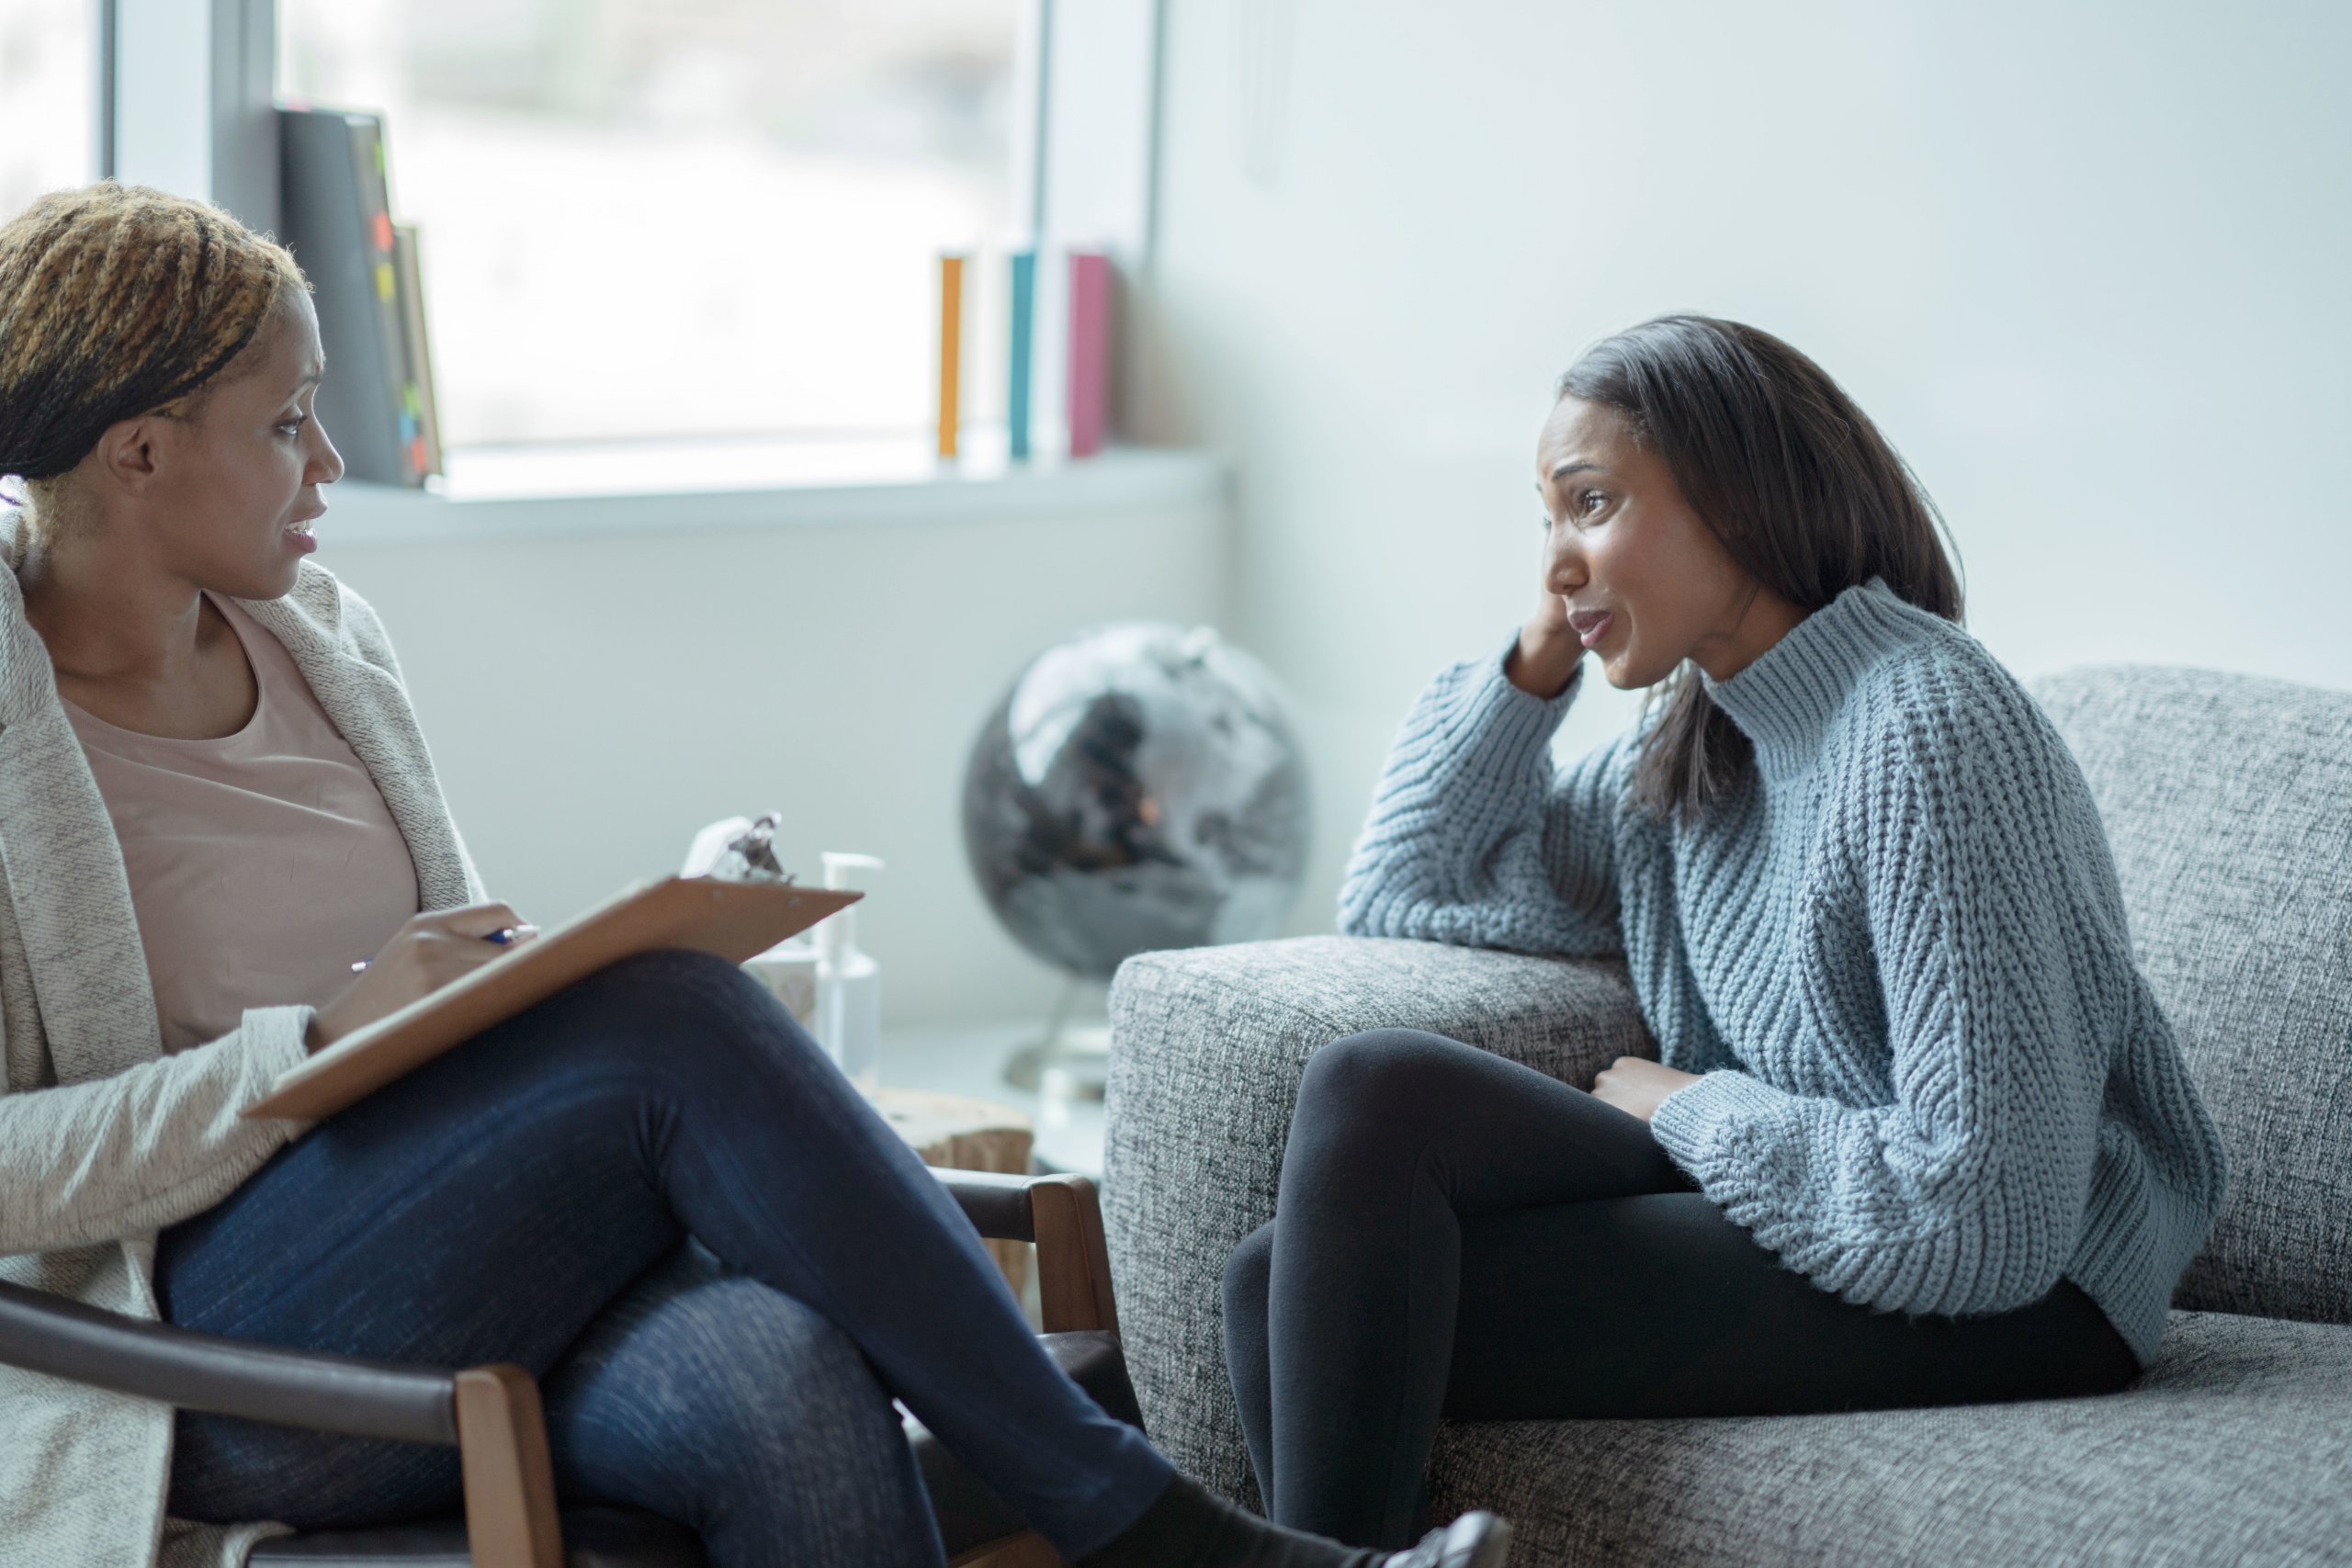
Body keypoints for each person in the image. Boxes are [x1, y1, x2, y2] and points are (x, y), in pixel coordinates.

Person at [0, 184, 1511, 1568]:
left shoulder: (320, 637)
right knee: (661, 1019)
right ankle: (1166, 1538)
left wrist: (562, 958)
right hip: (198, 1353)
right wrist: (313, 1047)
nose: (326, 462)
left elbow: (430, 979)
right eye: (287, 424)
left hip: (460, 1262)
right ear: (137, 451)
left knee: (777, 1381)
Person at [1219, 315, 2231, 1550]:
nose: (1556, 560)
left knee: (1335, 1205)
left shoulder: (1926, 724)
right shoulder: (1702, 749)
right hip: (1824, 1198)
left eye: (1589, 505)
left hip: (2029, 1287)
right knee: (1304, 1224)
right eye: (1544, 519)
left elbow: (1986, 1219)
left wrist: (1685, 1107)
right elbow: (1409, 888)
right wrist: (1537, 659)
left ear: (1737, 494)